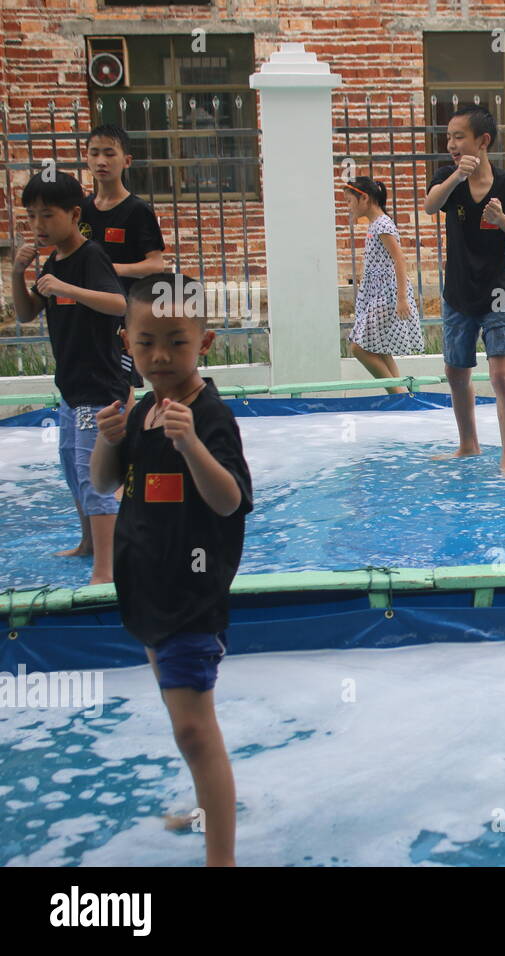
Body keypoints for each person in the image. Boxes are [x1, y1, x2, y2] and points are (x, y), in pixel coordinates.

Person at [89, 273, 254, 866]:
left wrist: (192, 447)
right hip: (150, 595)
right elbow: (105, 483)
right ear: (125, 342)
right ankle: (212, 807)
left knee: (193, 729)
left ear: (205, 342)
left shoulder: (207, 416)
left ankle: (221, 858)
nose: (160, 356)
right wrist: (110, 439)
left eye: (177, 342)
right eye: (146, 341)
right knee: (184, 720)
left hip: (191, 597)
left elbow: (231, 499)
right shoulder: (139, 411)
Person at [10, 171, 128, 583]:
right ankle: (88, 544)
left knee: (93, 476)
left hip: (99, 389)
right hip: (73, 390)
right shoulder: (53, 261)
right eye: (31, 217)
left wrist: (69, 288)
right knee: (71, 467)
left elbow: (118, 304)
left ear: (74, 214)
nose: (38, 226)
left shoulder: (89, 256)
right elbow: (26, 314)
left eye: (47, 216)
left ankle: (105, 569)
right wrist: (17, 275)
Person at [424, 105, 505, 477]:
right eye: (449, 137)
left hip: (496, 290)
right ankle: (468, 444)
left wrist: (501, 220)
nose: (451, 144)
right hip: (457, 290)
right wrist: (456, 176)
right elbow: (429, 206)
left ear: (483, 141)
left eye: (459, 136)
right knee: (456, 372)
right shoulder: (447, 179)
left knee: (501, 373)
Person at [80, 123, 167, 417]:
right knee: (91, 386)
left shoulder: (137, 210)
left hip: (124, 317)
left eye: (109, 153)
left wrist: (110, 269)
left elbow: (156, 264)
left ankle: (128, 452)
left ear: (126, 160)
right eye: (95, 153)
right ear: (86, 158)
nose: (102, 161)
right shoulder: (81, 211)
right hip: (88, 314)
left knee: (120, 387)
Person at [343, 176, 423, 395]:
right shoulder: (375, 224)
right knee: (380, 347)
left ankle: (396, 393)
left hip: (387, 294)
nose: (348, 207)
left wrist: (401, 299)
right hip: (377, 292)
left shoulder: (383, 225)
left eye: (350, 201)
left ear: (364, 199)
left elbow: (400, 259)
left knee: (359, 348)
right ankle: (401, 396)